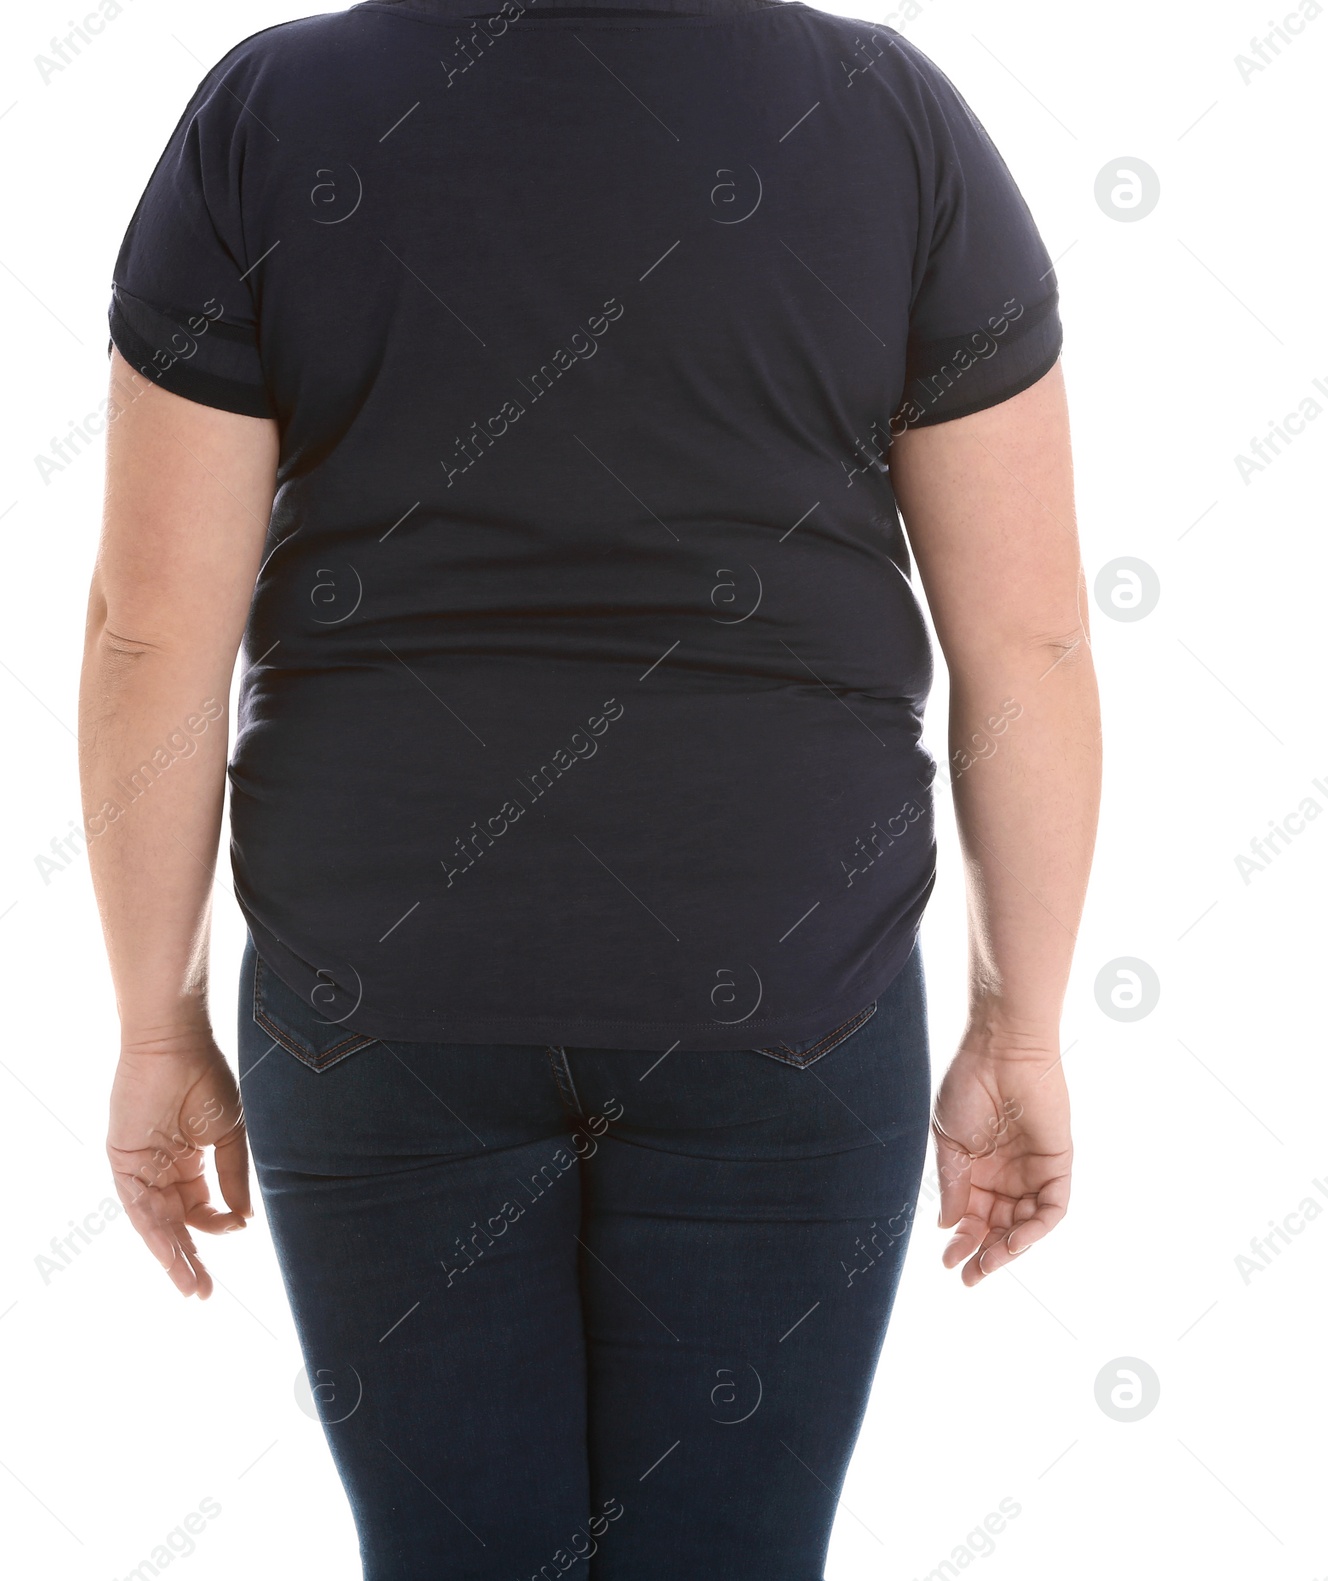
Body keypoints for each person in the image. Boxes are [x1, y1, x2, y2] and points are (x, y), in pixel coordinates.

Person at [79, 0, 1100, 1574]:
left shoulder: (272, 111)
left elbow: (153, 635)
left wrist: (161, 1023)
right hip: (787, 983)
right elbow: (1025, 640)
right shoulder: (887, 114)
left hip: (383, 981)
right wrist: (1017, 1021)